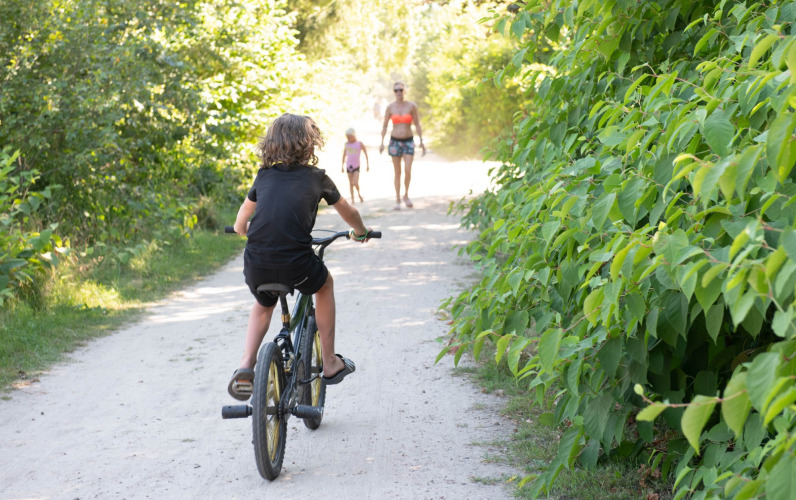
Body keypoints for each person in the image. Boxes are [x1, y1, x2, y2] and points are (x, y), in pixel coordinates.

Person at [228, 113, 373, 401]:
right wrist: (361, 231)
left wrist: (247, 230)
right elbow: (350, 212)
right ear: (309, 143)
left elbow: (240, 224)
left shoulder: (263, 176)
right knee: (324, 285)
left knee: (263, 304)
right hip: (296, 264)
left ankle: (246, 364)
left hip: (257, 264)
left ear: (272, 143)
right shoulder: (317, 178)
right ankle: (329, 362)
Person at [379, 81, 426, 211]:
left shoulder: (411, 106)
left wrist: (421, 141)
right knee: (397, 172)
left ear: (404, 91)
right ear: (394, 92)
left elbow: (417, 124)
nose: (398, 92)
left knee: (408, 170)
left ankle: (406, 195)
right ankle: (398, 199)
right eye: (396, 90)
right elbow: (385, 125)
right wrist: (382, 142)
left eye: (400, 90)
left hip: (408, 141)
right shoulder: (390, 107)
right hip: (394, 141)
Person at [341, 128, 369, 204]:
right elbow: (344, 155)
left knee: (355, 182)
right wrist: (342, 166)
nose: (348, 138)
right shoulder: (346, 144)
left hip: (356, 166)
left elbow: (365, 153)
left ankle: (359, 194)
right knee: (350, 183)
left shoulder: (359, 143)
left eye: (349, 136)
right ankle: (353, 199)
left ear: (353, 135)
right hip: (348, 165)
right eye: (347, 137)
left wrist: (367, 165)